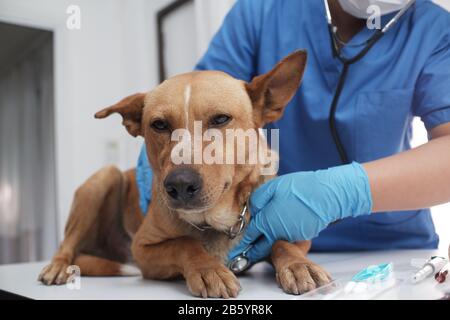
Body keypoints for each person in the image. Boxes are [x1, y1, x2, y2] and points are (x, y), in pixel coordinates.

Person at [136, 0, 450, 265]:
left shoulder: (434, 30)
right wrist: (167, 138)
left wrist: (343, 192)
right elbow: (205, 96)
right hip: (270, 238)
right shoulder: (262, 11)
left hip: (394, 249)